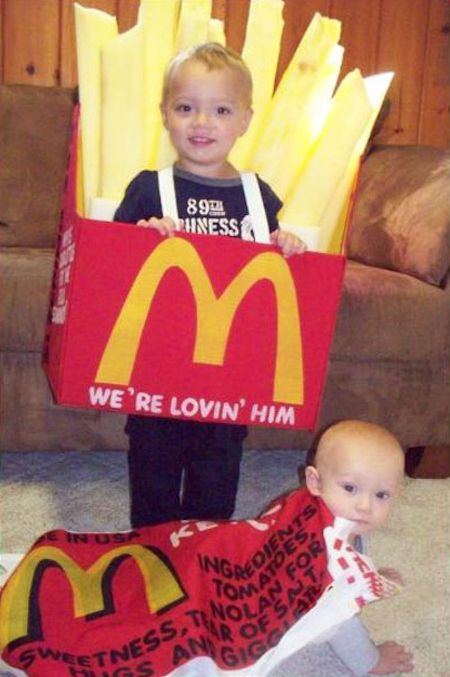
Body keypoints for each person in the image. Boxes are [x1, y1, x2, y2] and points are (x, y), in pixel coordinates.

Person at [114, 42, 306, 528]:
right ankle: (155, 555)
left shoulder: (257, 196)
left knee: (216, 476)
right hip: (157, 369)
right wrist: (136, 239)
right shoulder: (147, 189)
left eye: (220, 110)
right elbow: (110, 267)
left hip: (227, 377)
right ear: (165, 115)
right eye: (186, 108)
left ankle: (204, 554)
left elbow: (273, 283)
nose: (202, 123)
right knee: (153, 470)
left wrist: (285, 243)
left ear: (244, 120)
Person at [301, 420, 414, 676]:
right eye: (350, 488)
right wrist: (370, 661)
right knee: (338, 612)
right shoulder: (319, 554)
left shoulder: (333, 517)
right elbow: (339, 622)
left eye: (381, 495)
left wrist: (366, 579)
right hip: (274, 614)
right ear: (314, 481)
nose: (364, 506)